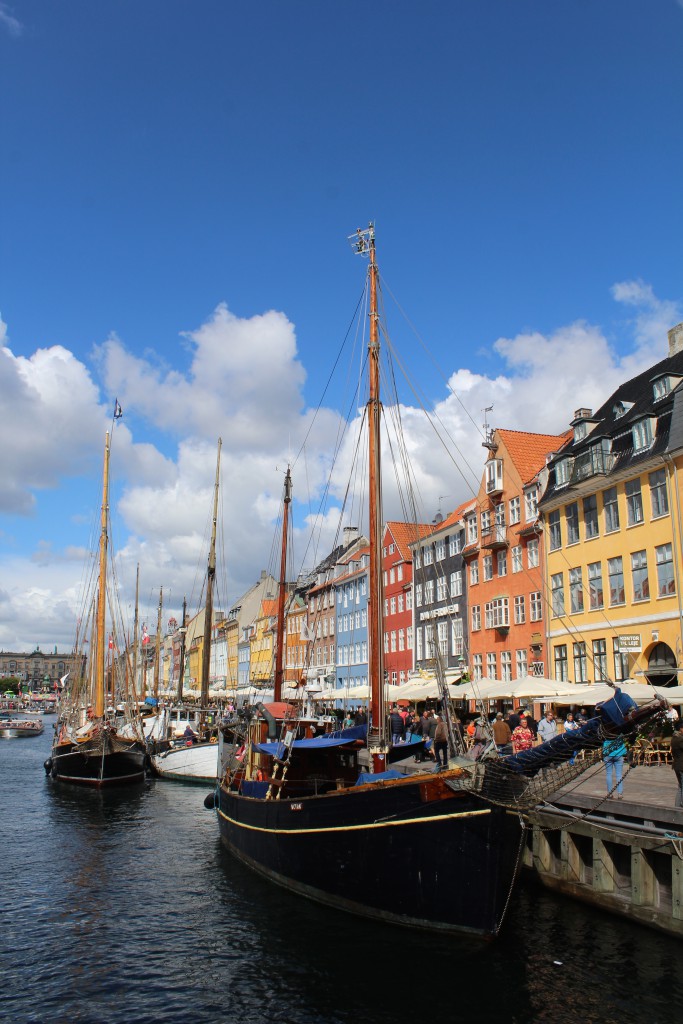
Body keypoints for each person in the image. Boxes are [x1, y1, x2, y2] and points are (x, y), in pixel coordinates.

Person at [671, 719, 683, 807]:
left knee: (680, 787)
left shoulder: (674, 737)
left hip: (677, 765)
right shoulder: (680, 739)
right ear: (681, 729)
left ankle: (677, 807)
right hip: (681, 766)